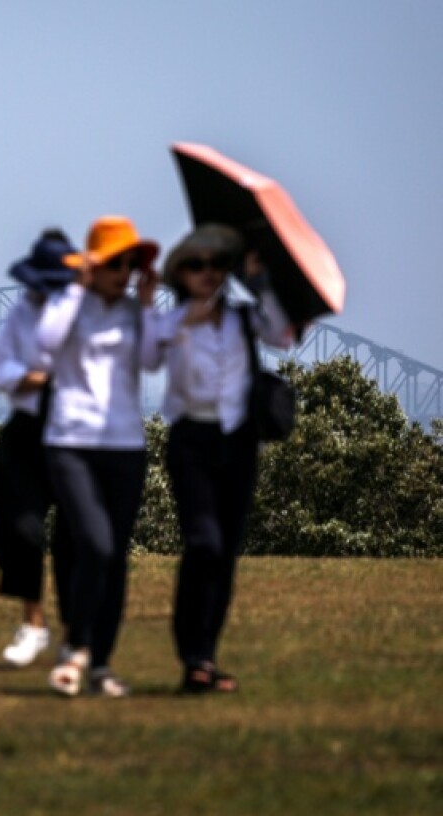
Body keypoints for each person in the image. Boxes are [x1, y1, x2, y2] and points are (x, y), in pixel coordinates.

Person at [140, 224, 293, 693]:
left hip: (239, 443)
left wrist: (261, 279)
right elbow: (145, 359)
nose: (207, 273)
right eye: (195, 265)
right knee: (203, 543)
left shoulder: (245, 319)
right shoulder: (173, 322)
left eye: (215, 265)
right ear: (181, 276)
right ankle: (192, 653)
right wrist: (146, 307)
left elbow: (283, 336)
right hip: (191, 441)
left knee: (225, 553)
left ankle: (204, 657)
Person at [38, 215, 160, 698]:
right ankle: (76, 648)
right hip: (71, 441)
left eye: (131, 264)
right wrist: (75, 287)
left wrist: (148, 306)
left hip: (125, 445)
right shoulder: (70, 306)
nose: (124, 273)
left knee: (114, 560)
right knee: (96, 545)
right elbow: (46, 342)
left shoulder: (135, 312)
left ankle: (100, 663)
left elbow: (152, 360)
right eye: (116, 264)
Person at [0, 229, 77, 667]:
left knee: (75, 538)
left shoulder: (86, 309)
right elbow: (0, 365)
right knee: (20, 529)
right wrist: (36, 377)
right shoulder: (20, 312)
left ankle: (75, 632)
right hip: (26, 427)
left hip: (73, 428)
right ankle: (34, 622)